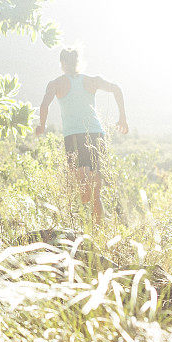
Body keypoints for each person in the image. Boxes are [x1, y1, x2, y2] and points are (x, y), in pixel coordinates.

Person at [36, 48, 128, 223]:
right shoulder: (92, 81)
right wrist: (122, 117)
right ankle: (98, 230)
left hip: (75, 138)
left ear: (62, 64)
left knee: (85, 194)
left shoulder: (56, 83)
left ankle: (96, 232)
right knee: (94, 194)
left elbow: (44, 105)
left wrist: (42, 125)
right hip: (95, 135)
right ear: (77, 62)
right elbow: (116, 88)